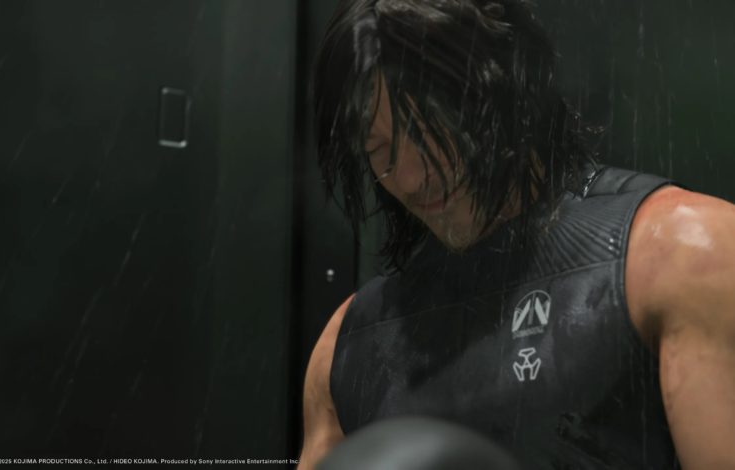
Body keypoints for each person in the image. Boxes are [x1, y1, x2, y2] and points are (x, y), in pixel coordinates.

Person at [299, 0, 735, 468]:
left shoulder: (685, 255)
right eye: (378, 149)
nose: (407, 178)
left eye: (427, 133)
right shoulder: (348, 346)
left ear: (505, 90)